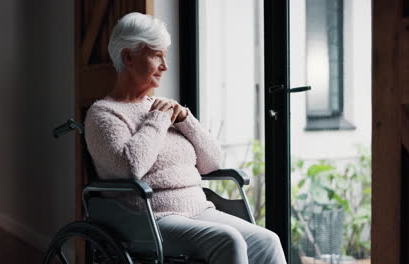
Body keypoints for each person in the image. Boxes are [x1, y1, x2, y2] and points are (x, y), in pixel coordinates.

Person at [84, 12, 287, 264]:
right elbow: (130, 167)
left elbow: (212, 163)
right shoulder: (103, 114)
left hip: (199, 210)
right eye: (157, 55)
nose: (164, 66)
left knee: (267, 241)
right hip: (148, 218)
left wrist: (186, 121)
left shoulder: (164, 108)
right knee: (229, 240)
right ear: (129, 57)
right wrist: (157, 120)